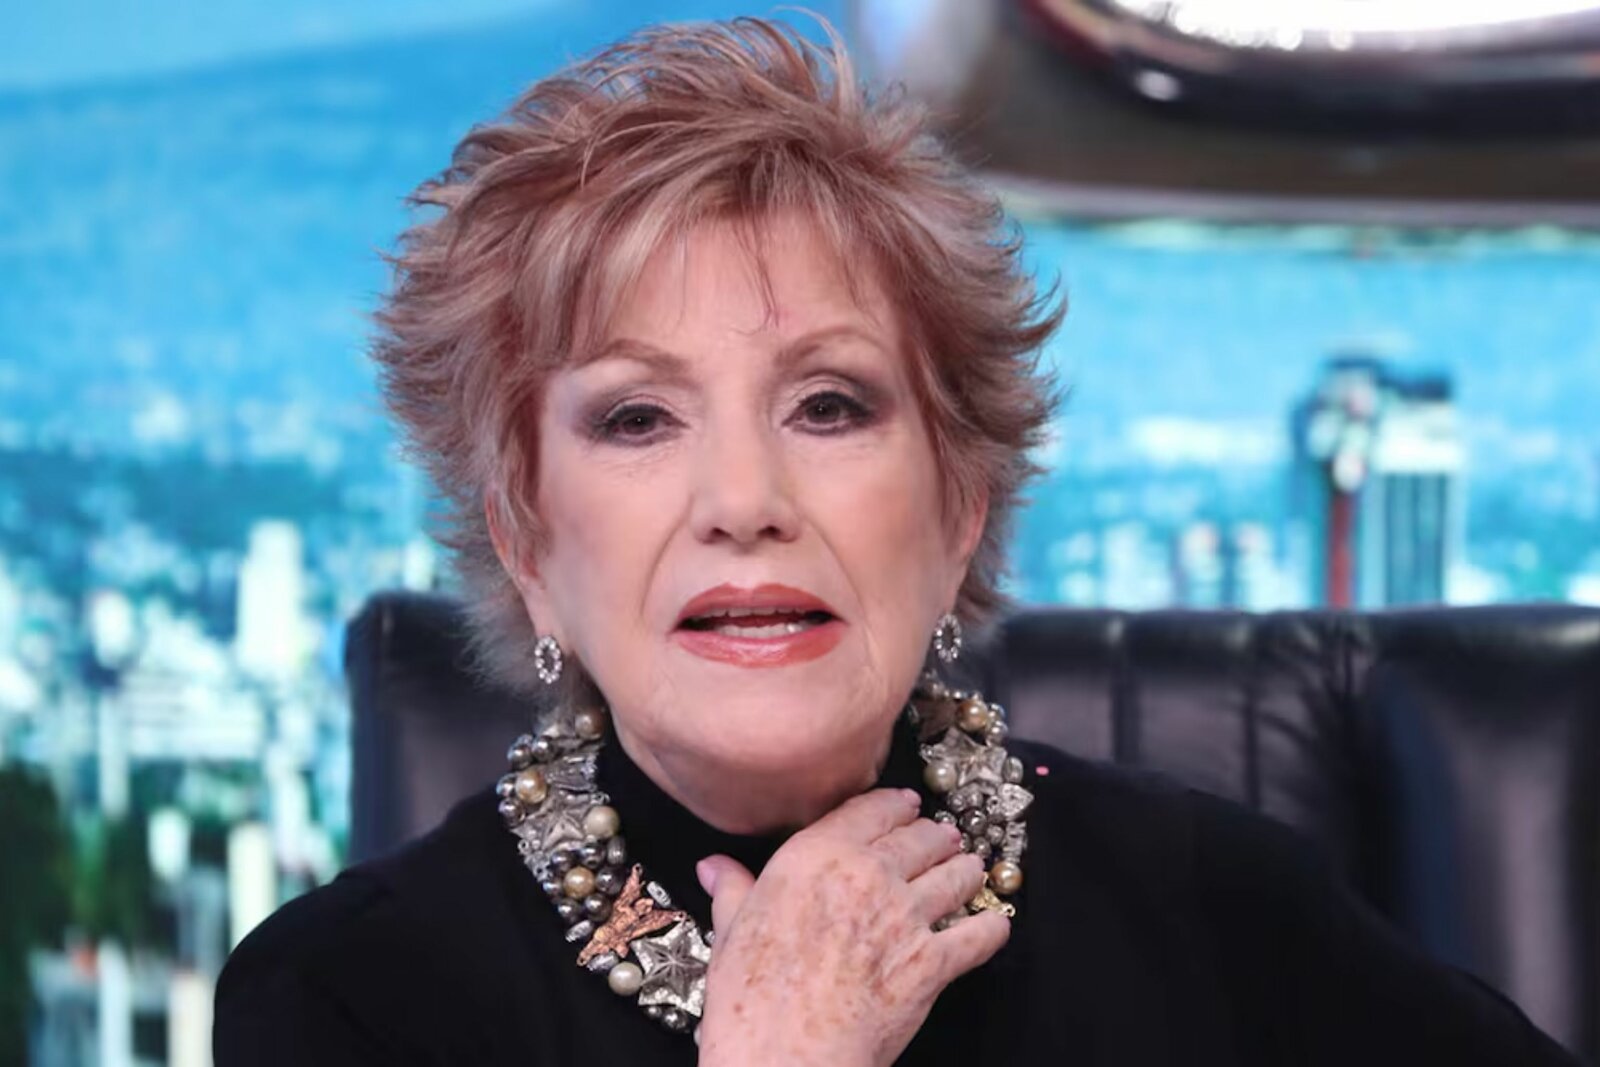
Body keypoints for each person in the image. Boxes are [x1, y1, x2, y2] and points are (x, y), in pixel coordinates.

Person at [212, 15, 1581, 1066]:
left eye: (829, 405)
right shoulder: (347, 1001)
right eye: (637, 419)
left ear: (959, 506)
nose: (743, 498)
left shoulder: (1219, 905)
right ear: (526, 541)